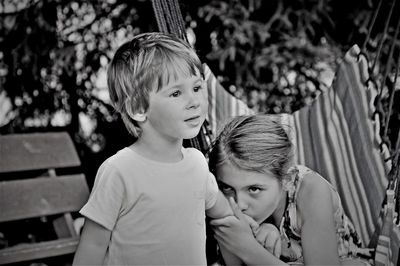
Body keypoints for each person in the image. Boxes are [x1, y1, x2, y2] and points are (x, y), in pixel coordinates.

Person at [72, 32, 233, 265]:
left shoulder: (197, 163)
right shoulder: (119, 170)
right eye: (176, 93)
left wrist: (255, 229)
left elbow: (224, 213)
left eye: (197, 88)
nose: (194, 101)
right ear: (138, 108)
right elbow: (93, 246)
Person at [208, 114, 372, 265]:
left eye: (253, 189)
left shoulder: (311, 191)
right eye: (227, 187)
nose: (240, 204)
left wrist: (248, 249)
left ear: (286, 179)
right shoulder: (223, 201)